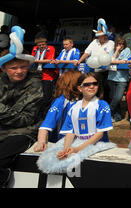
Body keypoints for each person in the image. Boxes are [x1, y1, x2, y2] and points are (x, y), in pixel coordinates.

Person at [37, 73, 115, 174]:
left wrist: (76, 149)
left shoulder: (100, 104)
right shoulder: (64, 102)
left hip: (87, 146)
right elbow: (48, 124)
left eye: (94, 83)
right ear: (77, 86)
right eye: (86, 84)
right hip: (68, 145)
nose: (91, 86)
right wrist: (42, 141)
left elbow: (100, 133)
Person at [0, 46, 44, 188]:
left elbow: (26, 119)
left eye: (23, 67)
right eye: (13, 68)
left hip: (23, 132)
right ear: (4, 69)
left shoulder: (35, 84)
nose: (19, 71)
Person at [34, 70, 82, 151]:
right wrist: (41, 142)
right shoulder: (61, 101)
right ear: (73, 84)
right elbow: (46, 125)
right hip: (61, 144)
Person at [107, 37, 131, 122]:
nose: (120, 46)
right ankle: (117, 116)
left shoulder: (127, 50)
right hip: (111, 78)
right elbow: (110, 60)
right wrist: (116, 51)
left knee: (118, 98)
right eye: (119, 44)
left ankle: (107, 113)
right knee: (113, 97)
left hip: (122, 79)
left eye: (122, 44)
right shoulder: (112, 51)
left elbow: (125, 61)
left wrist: (115, 61)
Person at [32, 37, 59, 104]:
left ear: (46, 44)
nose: (41, 46)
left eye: (43, 44)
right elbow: (31, 58)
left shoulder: (51, 48)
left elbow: (49, 60)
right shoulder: (35, 49)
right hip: (36, 74)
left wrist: (35, 60)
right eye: (39, 45)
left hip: (48, 75)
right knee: (36, 95)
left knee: (47, 96)